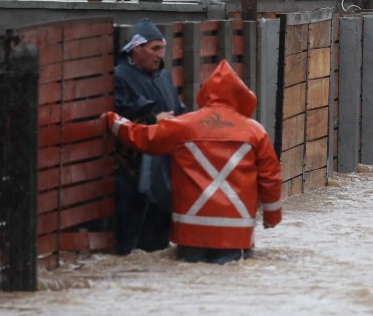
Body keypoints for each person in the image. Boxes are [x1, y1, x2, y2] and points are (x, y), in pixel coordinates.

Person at [105, 60, 283, 264]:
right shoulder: (255, 131)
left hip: (190, 231)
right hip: (236, 233)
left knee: (192, 278)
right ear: (241, 96)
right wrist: (272, 217)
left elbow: (144, 138)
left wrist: (113, 120)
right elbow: (271, 178)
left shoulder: (185, 125)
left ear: (206, 93)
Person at [113, 17, 187, 255]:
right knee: (131, 238)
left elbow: (180, 111)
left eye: (162, 50)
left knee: (158, 242)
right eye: (155, 49)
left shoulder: (164, 77)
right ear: (136, 49)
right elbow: (118, 117)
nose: (159, 55)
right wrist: (154, 121)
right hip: (132, 173)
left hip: (165, 172)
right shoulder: (119, 77)